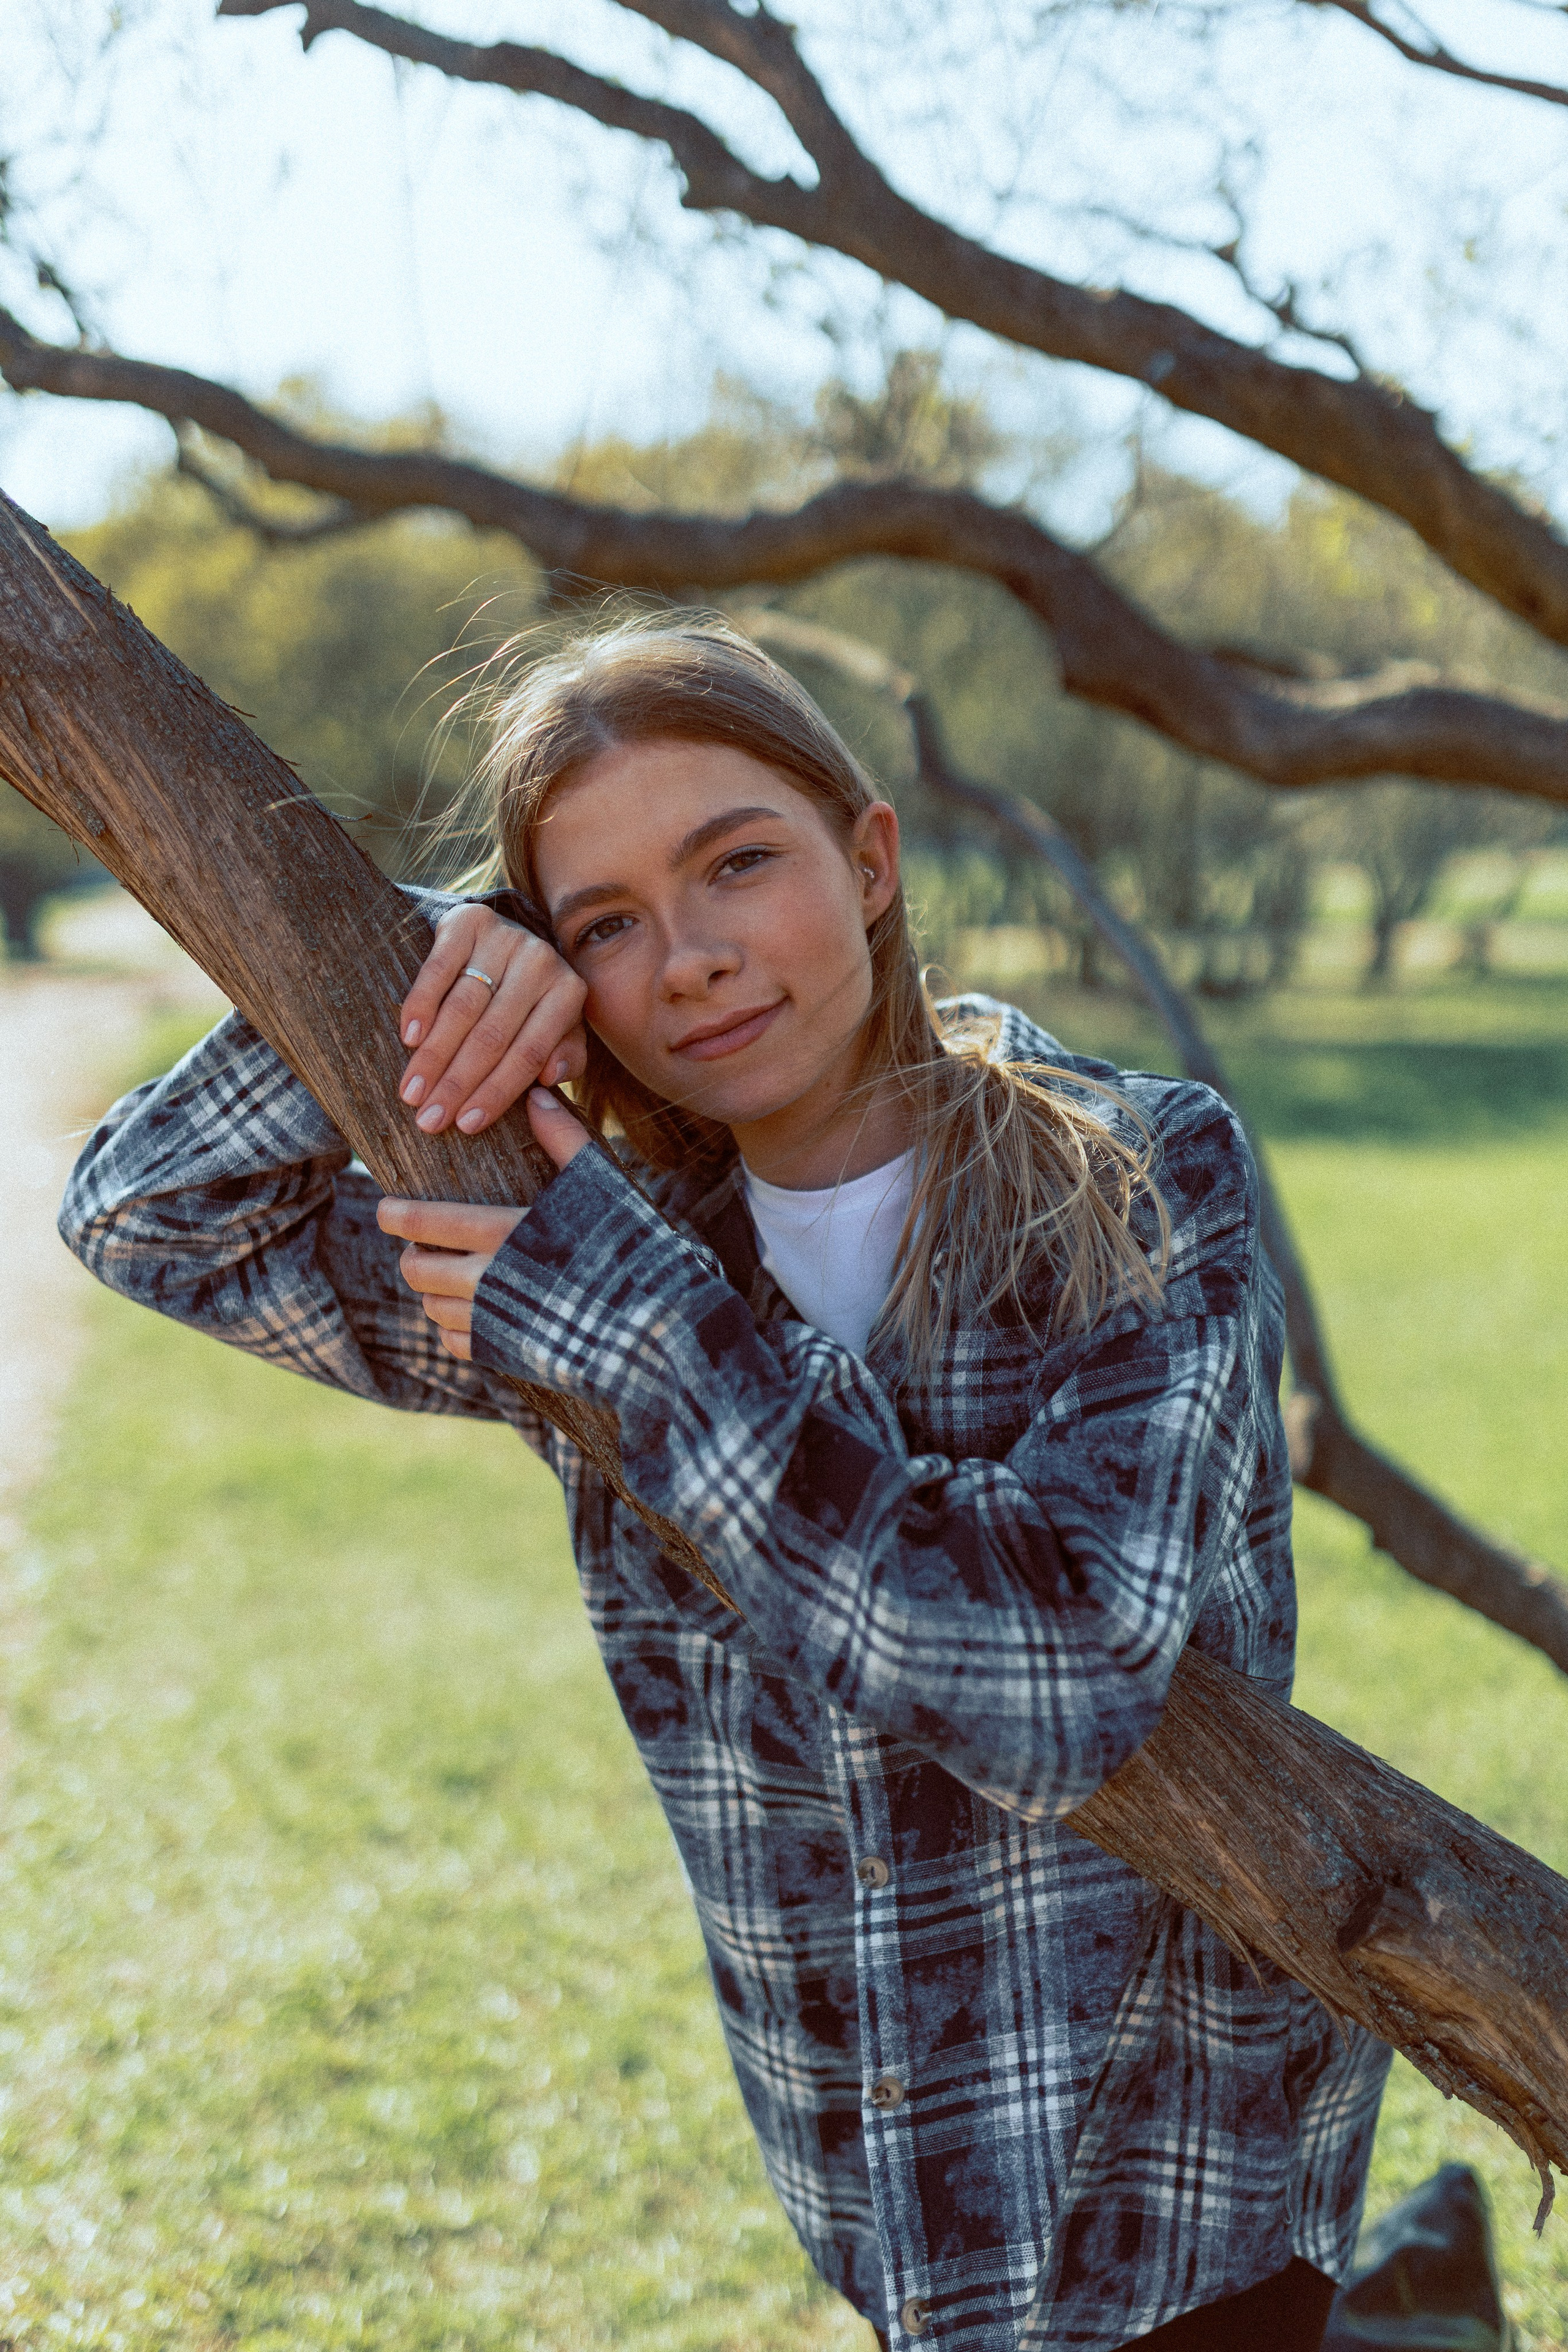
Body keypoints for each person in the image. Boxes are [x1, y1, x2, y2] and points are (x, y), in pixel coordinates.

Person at [60, 616, 1389, 2350]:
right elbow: (148, 1213)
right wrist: (436, 962)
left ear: (872, 858)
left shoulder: (1130, 1175)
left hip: (1177, 2222)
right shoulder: (596, 1237)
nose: (685, 959)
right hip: (892, 2222)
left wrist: (630, 1336)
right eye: (602, 924)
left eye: (737, 864)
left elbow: (1058, 1681)